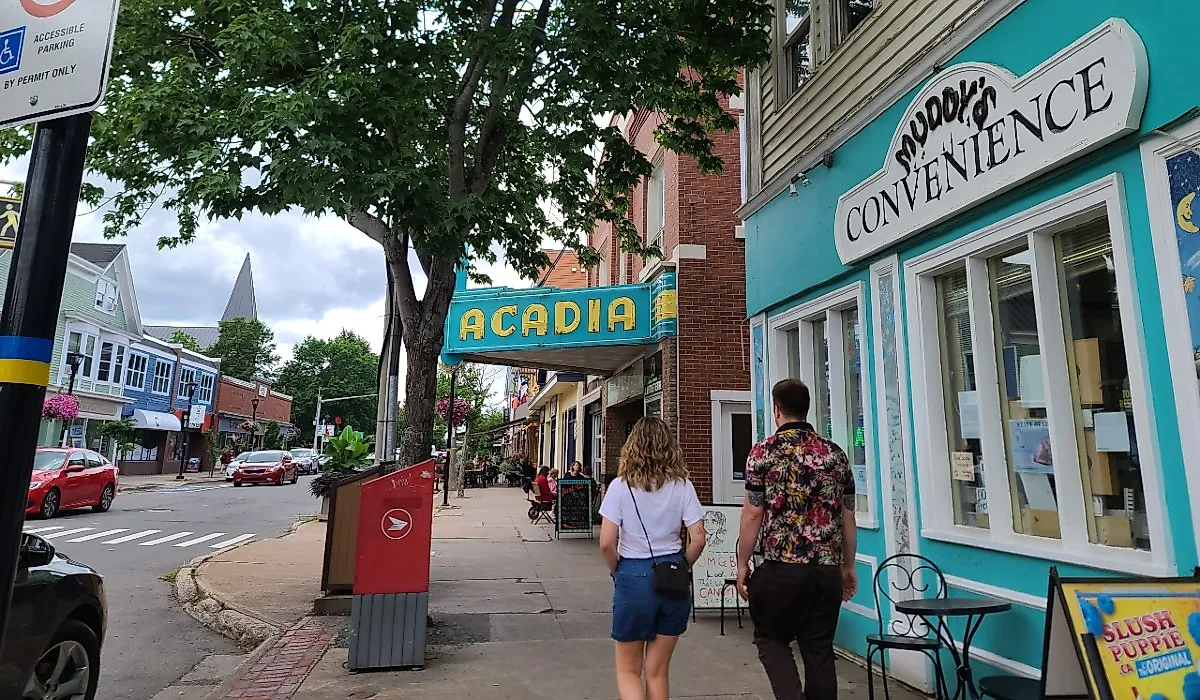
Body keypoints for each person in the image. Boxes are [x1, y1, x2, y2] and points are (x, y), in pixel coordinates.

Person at [736, 379, 858, 700]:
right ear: (807, 409)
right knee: (819, 651)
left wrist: (742, 562)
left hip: (780, 568)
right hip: (825, 571)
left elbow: (753, 514)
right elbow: (847, 516)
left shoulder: (763, 453)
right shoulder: (835, 455)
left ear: (777, 409)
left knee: (771, 639)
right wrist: (848, 566)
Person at [599, 416, 706, 700]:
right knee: (657, 671)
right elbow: (698, 538)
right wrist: (682, 566)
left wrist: (617, 571)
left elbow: (607, 543)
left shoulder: (620, 487)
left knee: (628, 671)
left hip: (633, 575)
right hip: (672, 577)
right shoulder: (683, 486)